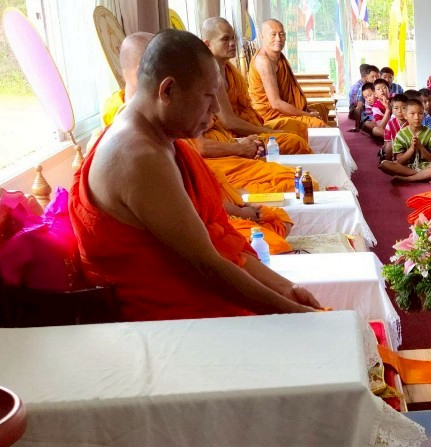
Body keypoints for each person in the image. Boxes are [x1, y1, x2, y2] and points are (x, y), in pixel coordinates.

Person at [72, 30, 322, 321]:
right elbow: (208, 266)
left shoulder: (163, 140)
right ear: (167, 91)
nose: (216, 111)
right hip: (164, 323)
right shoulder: (137, 157)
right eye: (207, 97)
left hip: (193, 299)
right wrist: (298, 316)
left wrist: (286, 288)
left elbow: (218, 236)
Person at [199, 18, 311, 154]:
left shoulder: (229, 69)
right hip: (229, 133)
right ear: (207, 44)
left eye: (234, 38)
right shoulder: (211, 74)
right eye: (225, 39)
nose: (233, 43)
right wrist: (268, 132)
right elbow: (229, 122)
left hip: (247, 124)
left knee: (297, 127)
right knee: (294, 141)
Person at [249, 19, 328, 129]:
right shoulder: (263, 62)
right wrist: (307, 115)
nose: (278, 39)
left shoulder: (279, 57)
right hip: (271, 117)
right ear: (262, 37)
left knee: (321, 109)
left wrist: (306, 112)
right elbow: (276, 104)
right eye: (273, 35)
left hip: (281, 111)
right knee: (318, 124)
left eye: (282, 34)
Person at [378, 98, 431, 184]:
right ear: (405, 115)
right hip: (407, 168)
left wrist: (421, 148)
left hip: (427, 166)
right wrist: (412, 149)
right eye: (412, 114)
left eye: (420, 114)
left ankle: (408, 179)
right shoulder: (401, 135)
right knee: (384, 164)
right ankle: (424, 176)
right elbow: (400, 161)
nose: (417, 117)